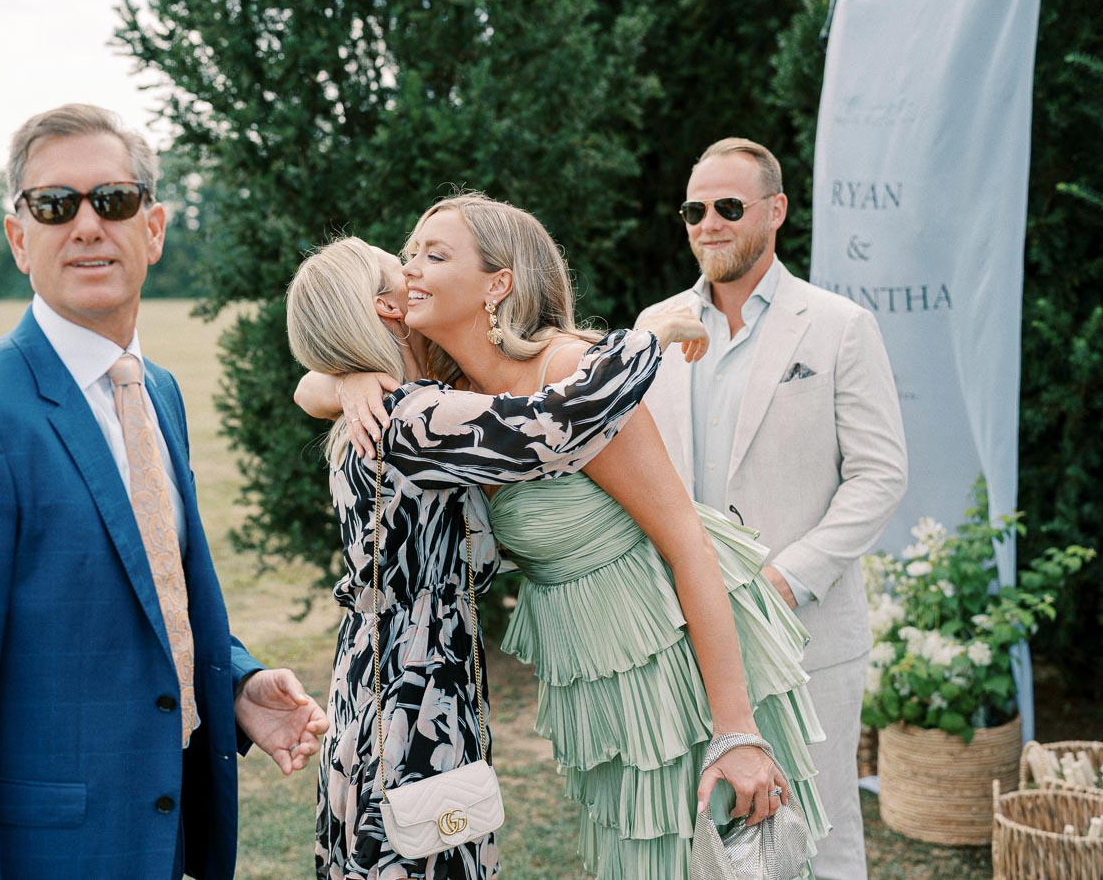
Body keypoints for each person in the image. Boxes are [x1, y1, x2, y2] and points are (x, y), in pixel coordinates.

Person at [307, 196, 828, 879]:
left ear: (498, 283)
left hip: (669, 643)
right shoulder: (441, 390)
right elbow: (310, 382)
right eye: (409, 255)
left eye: (435, 255)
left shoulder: (566, 370)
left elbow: (685, 541)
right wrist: (346, 378)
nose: (410, 271)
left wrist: (735, 731)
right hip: (589, 660)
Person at [0, 103, 327, 880]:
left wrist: (238, 682)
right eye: (54, 205)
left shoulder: (159, 392)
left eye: (111, 200)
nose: (86, 225)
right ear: (20, 239)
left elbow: (149, 588)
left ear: (151, 228)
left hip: (169, 837)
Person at [286, 236, 670, 879]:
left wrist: (341, 377)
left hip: (370, 688)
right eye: (400, 268)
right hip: (417, 704)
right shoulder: (415, 417)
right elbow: (560, 423)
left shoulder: (368, 416)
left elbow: (309, 384)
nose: (415, 271)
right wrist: (646, 336)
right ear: (388, 307)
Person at [638, 137, 908, 879]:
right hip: (684, 639)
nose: (709, 224)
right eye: (695, 209)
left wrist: (786, 582)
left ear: (776, 211)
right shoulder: (653, 328)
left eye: (729, 207)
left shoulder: (837, 325)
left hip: (806, 635)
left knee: (819, 835)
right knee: (701, 839)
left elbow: (880, 476)